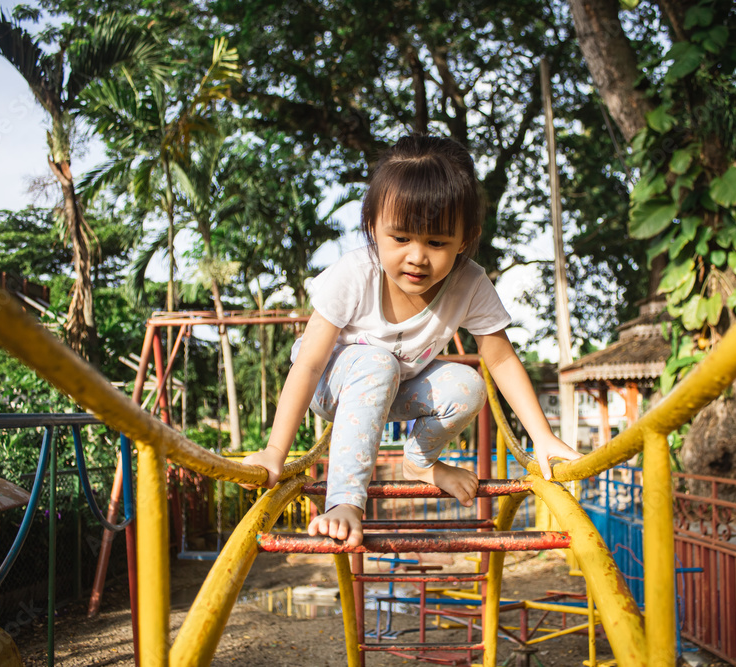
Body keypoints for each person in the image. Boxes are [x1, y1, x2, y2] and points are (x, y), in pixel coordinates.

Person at [242, 134, 581, 547]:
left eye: (436, 242)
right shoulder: (355, 274)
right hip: (332, 384)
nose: (417, 256)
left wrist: (543, 437)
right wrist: (277, 451)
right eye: (401, 238)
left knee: (467, 385)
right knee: (376, 362)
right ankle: (344, 502)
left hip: (396, 387)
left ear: (464, 238)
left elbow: (502, 358)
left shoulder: (469, 282)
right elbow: (309, 363)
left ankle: (421, 463)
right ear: (373, 228)